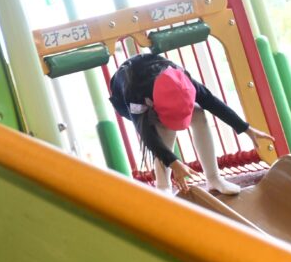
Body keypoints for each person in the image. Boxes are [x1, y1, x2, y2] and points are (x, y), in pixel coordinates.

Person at [108, 52, 273, 195]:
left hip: (154, 74)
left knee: (199, 114)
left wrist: (246, 128)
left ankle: (213, 178)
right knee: (164, 130)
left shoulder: (183, 80)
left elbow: (212, 102)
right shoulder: (135, 94)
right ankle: (163, 187)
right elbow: (147, 135)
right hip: (125, 94)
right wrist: (174, 162)